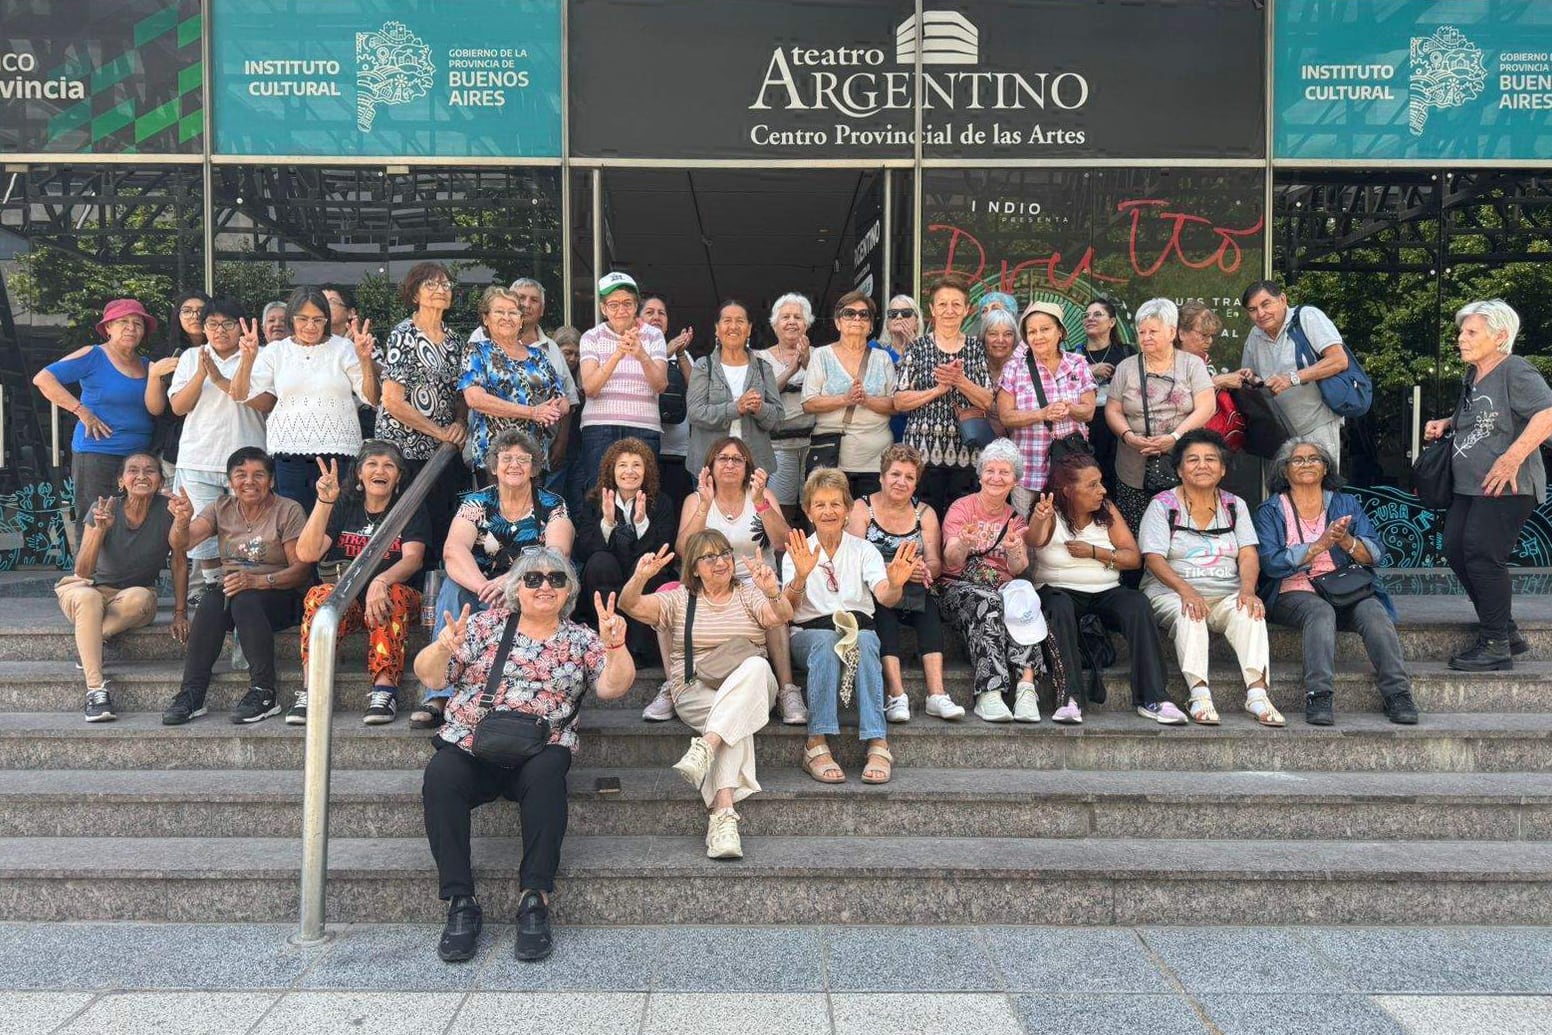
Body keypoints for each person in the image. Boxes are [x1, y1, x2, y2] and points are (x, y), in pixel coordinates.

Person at [416, 550, 633, 963]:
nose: (545, 586)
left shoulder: (581, 638)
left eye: (556, 578)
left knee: (550, 772)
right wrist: (443, 647)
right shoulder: (483, 625)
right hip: (472, 744)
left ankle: (535, 898)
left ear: (569, 591)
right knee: (440, 775)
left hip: (540, 749)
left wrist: (617, 647)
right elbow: (430, 675)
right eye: (533, 579)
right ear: (516, 587)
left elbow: (612, 688)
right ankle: (460, 901)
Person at [622, 534, 792, 859]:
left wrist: (772, 591)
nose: (721, 562)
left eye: (725, 554)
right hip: (694, 690)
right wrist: (640, 578)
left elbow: (780, 616)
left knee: (756, 665)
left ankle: (706, 747)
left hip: (752, 688)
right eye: (710, 557)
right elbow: (630, 605)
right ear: (695, 568)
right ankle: (723, 819)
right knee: (733, 726)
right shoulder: (679, 600)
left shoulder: (749, 594)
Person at [410, 429, 574, 728]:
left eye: (523, 459)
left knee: (549, 582)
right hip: (482, 588)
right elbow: (454, 549)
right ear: (494, 465)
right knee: (453, 587)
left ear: (534, 466)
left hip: (529, 589)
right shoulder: (476, 502)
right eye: (506, 458)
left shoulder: (552, 505)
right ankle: (440, 694)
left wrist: (511, 580)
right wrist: (482, 586)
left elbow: (557, 552)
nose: (514, 465)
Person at [1423, 299, 1552, 671]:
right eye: (1462, 331)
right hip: (1470, 485)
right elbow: (1486, 414)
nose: (1461, 338)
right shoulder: (1475, 375)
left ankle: (1495, 643)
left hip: (1507, 486)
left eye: (1471, 332)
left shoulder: (1515, 369)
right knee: (1455, 549)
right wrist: (1448, 422)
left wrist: (1512, 457)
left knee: (1481, 554)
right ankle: (1506, 630)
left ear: (1499, 336)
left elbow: (1546, 414)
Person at [1254, 438, 1418, 725]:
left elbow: (1376, 554)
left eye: (1314, 458)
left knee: (1374, 611)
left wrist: (1346, 541)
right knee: (1319, 611)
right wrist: (1317, 546)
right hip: (1292, 590)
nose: (1307, 464)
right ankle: (1319, 694)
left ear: (1326, 467)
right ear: (1284, 470)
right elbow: (1270, 562)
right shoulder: (1270, 510)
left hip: (1344, 587)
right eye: (1298, 459)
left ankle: (1398, 694)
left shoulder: (1345, 502)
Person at [1027, 453, 1186, 725]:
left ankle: (1155, 697)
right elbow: (1034, 539)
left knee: (1137, 604)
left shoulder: (1107, 510)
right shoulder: (1049, 511)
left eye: (1100, 482)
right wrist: (1040, 518)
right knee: (1057, 606)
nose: (1102, 490)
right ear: (1068, 490)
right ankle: (1069, 697)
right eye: (1092, 485)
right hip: (1059, 590)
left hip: (1106, 590)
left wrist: (1095, 552)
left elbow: (1133, 558)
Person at [782, 468, 918, 785]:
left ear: (846, 509)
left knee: (869, 643)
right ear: (808, 510)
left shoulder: (864, 550)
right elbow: (789, 607)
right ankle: (816, 743)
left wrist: (896, 583)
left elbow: (885, 595)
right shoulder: (798, 550)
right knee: (826, 644)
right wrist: (801, 576)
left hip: (858, 630)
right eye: (820, 505)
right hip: (810, 633)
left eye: (835, 504)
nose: (828, 511)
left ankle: (878, 742)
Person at [1139, 429, 1280, 727]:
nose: (1202, 465)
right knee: (1189, 611)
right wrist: (1186, 591)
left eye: (1210, 459)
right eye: (1193, 460)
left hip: (1225, 591)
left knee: (1250, 612)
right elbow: (1153, 558)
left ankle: (1257, 694)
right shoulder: (1162, 505)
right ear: (1179, 469)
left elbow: (1248, 554)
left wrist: (1247, 590)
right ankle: (1199, 694)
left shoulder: (1234, 505)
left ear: (1223, 468)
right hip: (1172, 592)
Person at [162, 447, 310, 726]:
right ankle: (192, 694)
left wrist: (259, 581)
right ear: (231, 481)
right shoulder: (221, 507)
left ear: (272, 481)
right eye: (240, 475)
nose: (249, 481)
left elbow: (300, 571)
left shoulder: (288, 510)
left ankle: (264, 692)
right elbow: (181, 543)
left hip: (281, 595)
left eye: (258, 475)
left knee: (244, 599)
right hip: (236, 594)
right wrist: (182, 521)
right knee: (210, 601)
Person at [668, 436, 804, 725]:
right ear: (710, 466)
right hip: (709, 582)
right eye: (723, 458)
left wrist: (760, 503)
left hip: (755, 579)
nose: (730, 464)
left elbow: (782, 543)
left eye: (737, 459)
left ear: (748, 467)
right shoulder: (696, 499)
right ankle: (673, 684)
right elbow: (683, 549)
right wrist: (705, 505)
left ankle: (787, 689)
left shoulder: (763, 497)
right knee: (669, 598)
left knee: (773, 604)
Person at [292, 442, 429, 726]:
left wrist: (381, 579)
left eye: (389, 466)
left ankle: (384, 689)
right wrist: (324, 502)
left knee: (392, 593)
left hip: (399, 600)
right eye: (372, 464)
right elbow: (307, 553)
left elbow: (413, 558)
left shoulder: (409, 508)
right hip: (351, 601)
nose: (380, 471)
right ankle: (312, 688)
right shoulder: (344, 505)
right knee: (319, 596)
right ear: (359, 474)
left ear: (399, 476)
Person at [56, 453, 188, 722]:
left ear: (161, 481)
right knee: (87, 597)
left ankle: (88, 643)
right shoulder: (105, 506)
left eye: (150, 471)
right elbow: (82, 571)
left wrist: (179, 612)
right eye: (133, 471)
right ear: (121, 480)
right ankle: (95, 691)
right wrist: (99, 530)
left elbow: (179, 560)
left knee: (140, 597)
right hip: (88, 589)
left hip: (131, 598)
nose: (141, 476)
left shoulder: (168, 510)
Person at [938, 439, 1063, 723]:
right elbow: (952, 561)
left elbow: (1018, 569)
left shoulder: (1015, 519)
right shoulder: (962, 508)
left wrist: (1013, 550)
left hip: (1000, 586)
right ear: (980, 475)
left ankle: (1026, 688)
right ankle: (989, 692)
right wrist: (965, 543)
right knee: (990, 601)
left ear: (1015, 480)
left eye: (1004, 472)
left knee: (1025, 594)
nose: (996, 477)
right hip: (958, 588)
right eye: (990, 470)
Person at [229, 286, 380, 514]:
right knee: (295, 522)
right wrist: (248, 358)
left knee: (335, 521)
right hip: (289, 453)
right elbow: (240, 393)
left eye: (318, 320)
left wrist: (365, 359)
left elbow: (372, 397)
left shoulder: (343, 348)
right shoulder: (276, 351)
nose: (310, 326)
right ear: (291, 318)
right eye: (303, 319)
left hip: (339, 452)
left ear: (326, 320)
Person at [846, 444, 962, 722]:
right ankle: (896, 695)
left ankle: (937, 694)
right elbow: (854, 559)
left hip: (914, 585)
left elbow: (936, 563)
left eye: (909, 477)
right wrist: (894, 571)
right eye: (895, 474)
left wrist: (922, 569)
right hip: (875, 586)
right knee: (883, 608)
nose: (901, 482)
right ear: (882, 477)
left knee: (930, 606)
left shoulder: (925, 513)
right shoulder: (862, 509)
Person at [167, 300, 269, 594]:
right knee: (202, 536)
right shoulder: (190, 356)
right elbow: (177, 406)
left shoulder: (258, 355)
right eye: (212, 324)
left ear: (241, 326)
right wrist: (202, 373)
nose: (220, 330)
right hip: (199, 458)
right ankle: (213, 591)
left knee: (248, 533)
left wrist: (221, 379)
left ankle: (244, 591)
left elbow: (266, 403)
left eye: (227, 324)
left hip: (247, 461)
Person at [33, 299, 158, 535]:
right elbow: (43, 378)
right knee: (93, 518)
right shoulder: (94, 355)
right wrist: (81, 410)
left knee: (133, 521)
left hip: (138, 457)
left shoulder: (147, 365)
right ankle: (86, 573)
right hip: (98, 453)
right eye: (123, 322)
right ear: (108, 327)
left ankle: (124, 573)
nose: (131, 328)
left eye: (137, 323)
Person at [376, 263, 470, 552]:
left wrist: (459, 422)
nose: (441, 290)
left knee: (442, 524)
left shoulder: (455, 341)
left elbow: (461, 394)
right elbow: (392, 400)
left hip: (441, 453)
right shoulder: (402, 335)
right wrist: (439, 431)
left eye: (445, 285)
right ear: (415, 294)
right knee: (408, 531)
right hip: (404, 450)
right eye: (432, 285)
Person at [1104, 298, 1216, 531]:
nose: (1146, 337)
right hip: (1133, 464)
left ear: (1171, 331)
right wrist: (1128, 436)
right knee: (1138, 530)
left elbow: (1207, 406)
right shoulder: (1126, 367)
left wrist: (1174, 438)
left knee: (1183, 530)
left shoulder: (1192, 365)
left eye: (1153, 331)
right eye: (1141, 332)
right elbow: (1113, 409)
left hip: (1182, 461)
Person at [893, 272, 996, 517]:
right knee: (922, 523)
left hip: (967, 454)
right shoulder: (917, 348)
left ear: (966, 309)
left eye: (956, 304)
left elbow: (987, 400)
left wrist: (959, 381)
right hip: (921, 455)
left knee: (960, 525)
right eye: (942, 304)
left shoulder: (975, 348)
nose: (949, 310)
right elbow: (899, 400)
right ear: (932, 309)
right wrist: (937, 390)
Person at [574, 437, 678, 663]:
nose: (629, 471)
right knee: (600, 562)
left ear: (646, 470)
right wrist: (607, 523)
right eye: (622, 465)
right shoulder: (594, 501)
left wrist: (641, 524)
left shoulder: (662, 503)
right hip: (605, 575)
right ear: (611, 470)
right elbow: (582, 550)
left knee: (647, 568)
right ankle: (603, 642)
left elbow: (664, 552)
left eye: (636, 465)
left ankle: (638, 650)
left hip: (640, 578)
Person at [1237, 280, 1349, 469]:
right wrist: (1252, 378)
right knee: (1282, 490)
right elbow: (1254, 383)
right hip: (1279, 432)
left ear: (1282, 299)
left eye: (1266, 304)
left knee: (1320, 485)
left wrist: (1292, 378)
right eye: (1253, 309)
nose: (1261, 313)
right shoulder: (1255, 335)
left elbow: (1339, 360)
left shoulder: (1307, 317)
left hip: (1317, 423)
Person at [997, 300, 1097, 509]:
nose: (1038, 336)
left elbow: (1088, 412)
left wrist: (1069, 408)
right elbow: (1005, 416)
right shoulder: (1014, 368)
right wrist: (1042, 413)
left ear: (1060, 331)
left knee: (1067, 531)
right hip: (1027, 471)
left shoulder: (1077, 363)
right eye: (1032, 332)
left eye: (1045, 329)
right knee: (1026, 532)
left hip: (1069, 468)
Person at [461, 286, 570, 475]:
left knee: (533, 505)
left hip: (533, 456)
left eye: (513, 312)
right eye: (499, 312)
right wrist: (532, 412)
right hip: (494, 457)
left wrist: (552, 410)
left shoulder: (539, 356)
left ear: (520, 320)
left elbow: (563, 401)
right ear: (486, 319)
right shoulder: (476, 351)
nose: (506, 317)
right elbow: (475, 399)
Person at [802, 290, 896, 500]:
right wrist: (845, 399)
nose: (857, 318)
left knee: (869, 522)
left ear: (871, 325)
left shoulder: (882, 358)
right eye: (849, 313)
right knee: (829, 518)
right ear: (837, 322)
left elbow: (894, 404)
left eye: (864, 315)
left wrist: (867, 400)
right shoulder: (821, 355)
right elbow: (808, 403)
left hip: (875, 459)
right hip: (831, 456)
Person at [579, 272, 668, 480]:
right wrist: (618, 354)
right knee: (598, 494)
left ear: (636, 306)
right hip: (599, 428)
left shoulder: (654, 336)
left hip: (643, 427)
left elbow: (661, 385)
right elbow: (590, 389)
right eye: (613, 305)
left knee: (643, 494)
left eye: (627, 303)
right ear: (603, 308)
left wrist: (641, 355)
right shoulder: (591, 337)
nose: (621, 310)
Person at [687, 299, 783, 477]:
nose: (733, 326)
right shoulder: (703, 366)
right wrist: (736, 408)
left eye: (740, 321)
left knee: (753, 506)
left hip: (754, 465)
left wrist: (760, 408)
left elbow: (777, 420)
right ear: (717, 328)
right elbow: (694, 413)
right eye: (727, 321)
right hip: (709, 464)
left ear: (749, 328)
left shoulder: (763, 368)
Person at [758, 292, 814, 523]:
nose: (792, 321)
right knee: (782, 510)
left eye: (798, 317)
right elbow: (761, 396)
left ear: (807, 324)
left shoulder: (820, 355)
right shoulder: (760, 358)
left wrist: (808, 362)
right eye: (785, 317)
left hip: (815, 445)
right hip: (778, 446)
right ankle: (782, 558)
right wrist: (792, 369)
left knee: (816, 509)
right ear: (774, 324)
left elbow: (826, 392)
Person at [145, 290, 210, 472]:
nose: (195, 316)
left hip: (216, 435)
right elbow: (155, 408)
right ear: (177, 316)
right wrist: (154, 374)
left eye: (201, 310)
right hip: (174, 443)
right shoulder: (163, 352)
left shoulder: (224, 350)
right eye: (187, 311)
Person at [643, 295, 696, 512]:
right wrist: (667, 352)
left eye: (661, 313)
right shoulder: (629, 349)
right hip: (645, 448)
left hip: (679, 452)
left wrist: (680, 352)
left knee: (675, 510)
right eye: (649, 312)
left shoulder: (680, 352)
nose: (656, 316)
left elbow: (696, 389)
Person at [1077, 299, 1136, 490]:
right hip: (1084, 432)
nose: (1090, 318)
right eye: (1086, 315)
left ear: (1112, 322)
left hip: (1120, 432)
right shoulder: (1073, 357)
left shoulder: (1127, 353)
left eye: (1097, 314)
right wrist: (1090, 371)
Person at [1177, 301, 1243, 391]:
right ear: (1182, 333)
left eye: (1211, 335)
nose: (1210, 341)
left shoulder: (1203, 360)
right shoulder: (1166, 362)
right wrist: (1217, 382)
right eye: (1204, 335)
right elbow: (1177, 398)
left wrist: (1233, 378)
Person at [982, 308, 1018, 438]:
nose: (1000, 340)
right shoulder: (974, 364)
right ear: (983, 336)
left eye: (1008, 334)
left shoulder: (1022, 368)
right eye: (993, 334)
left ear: (1015, 338)